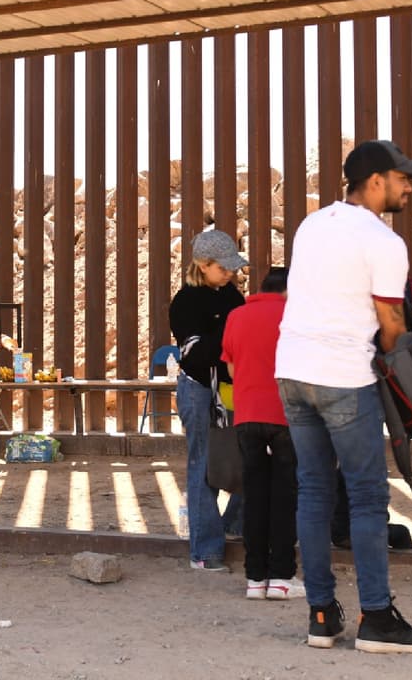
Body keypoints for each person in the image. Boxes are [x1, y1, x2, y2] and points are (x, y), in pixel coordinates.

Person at [275, 140, 412, 653]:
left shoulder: (311, 225)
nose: (409, 187)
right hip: (344, 374)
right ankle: (377, 618)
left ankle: (322, 616)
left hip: (292, 370)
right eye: (403, 178)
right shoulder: (383, 240)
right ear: (375, 181)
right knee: (367, 497)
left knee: (314, 491)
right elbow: (390, 322)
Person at [220, 266, 303, 600]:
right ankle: (281, 576)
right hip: (286, 416)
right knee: (285, 496)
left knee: (254, 496)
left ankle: (255, 578)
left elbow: (230, 368)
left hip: (247, 415)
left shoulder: (236, 316)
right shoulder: (295, 316)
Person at [169, 229, 246, 572]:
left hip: (232, 388)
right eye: (223, 267)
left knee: (248, 458)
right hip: (199, 390)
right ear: (203, 265)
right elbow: (196, 355)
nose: (230, 273)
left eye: (232, 267)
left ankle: (234, 525)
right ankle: (205, 550)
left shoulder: (231, 295)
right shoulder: (185, 302)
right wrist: (230, 332)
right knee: (204, 466)